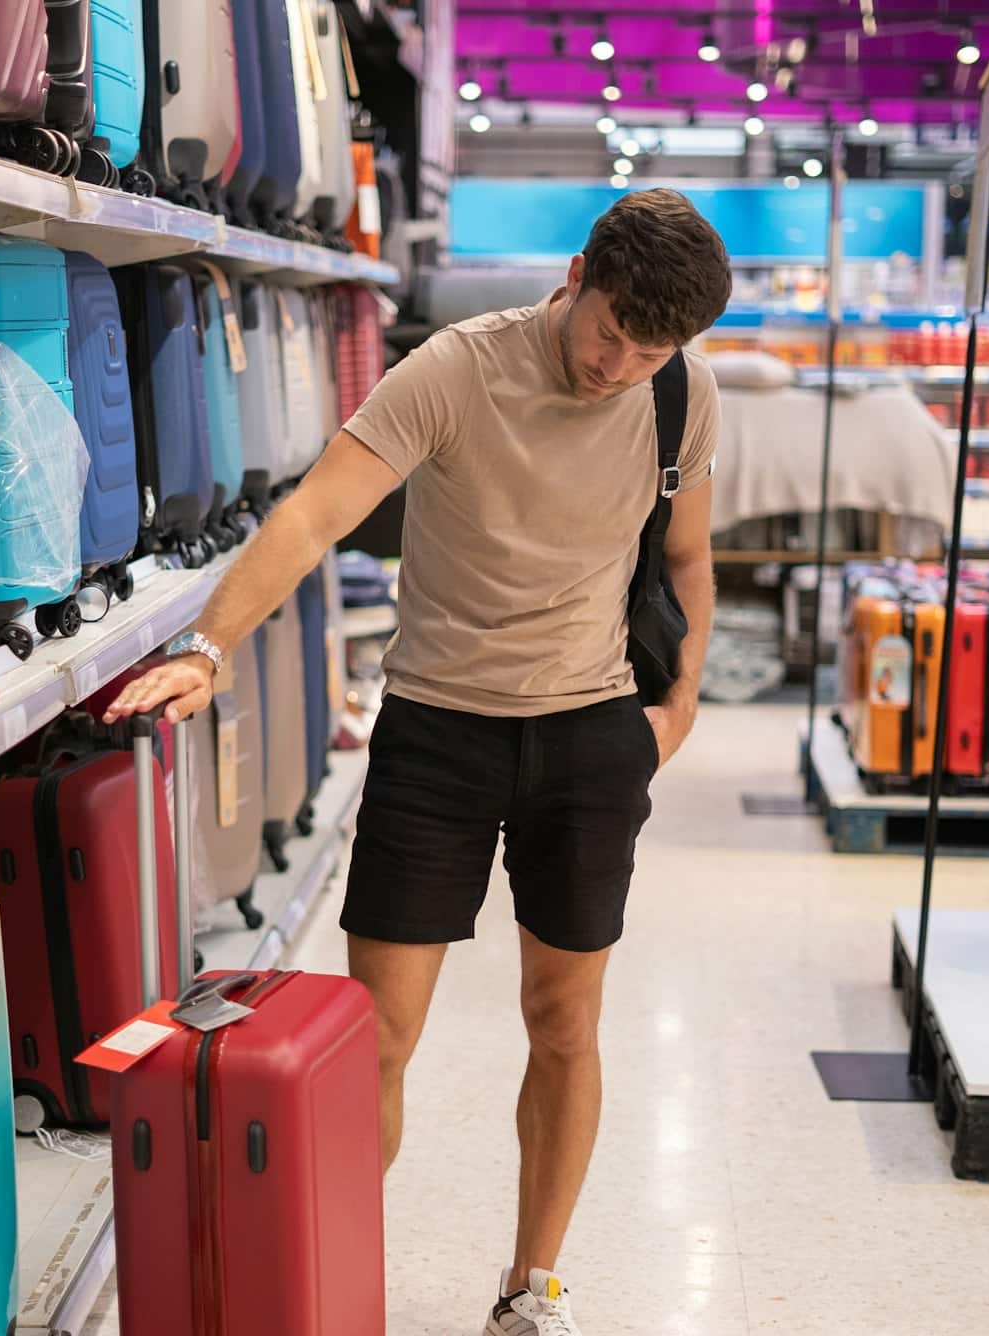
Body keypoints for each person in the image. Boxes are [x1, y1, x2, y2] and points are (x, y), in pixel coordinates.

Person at [103, 188, 731, 1336]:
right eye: (608, 335)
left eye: (648, 352)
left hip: (590, 736)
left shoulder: (678, 396)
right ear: (575, 273)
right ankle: (328, 1277)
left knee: (564, 1021)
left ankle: (530, 1288)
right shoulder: (453, 369)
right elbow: (307, 518)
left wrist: (677, 705)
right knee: (375, 1037)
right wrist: (205, 646)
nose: (616, 366)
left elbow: (687, 558)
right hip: (437, 731)